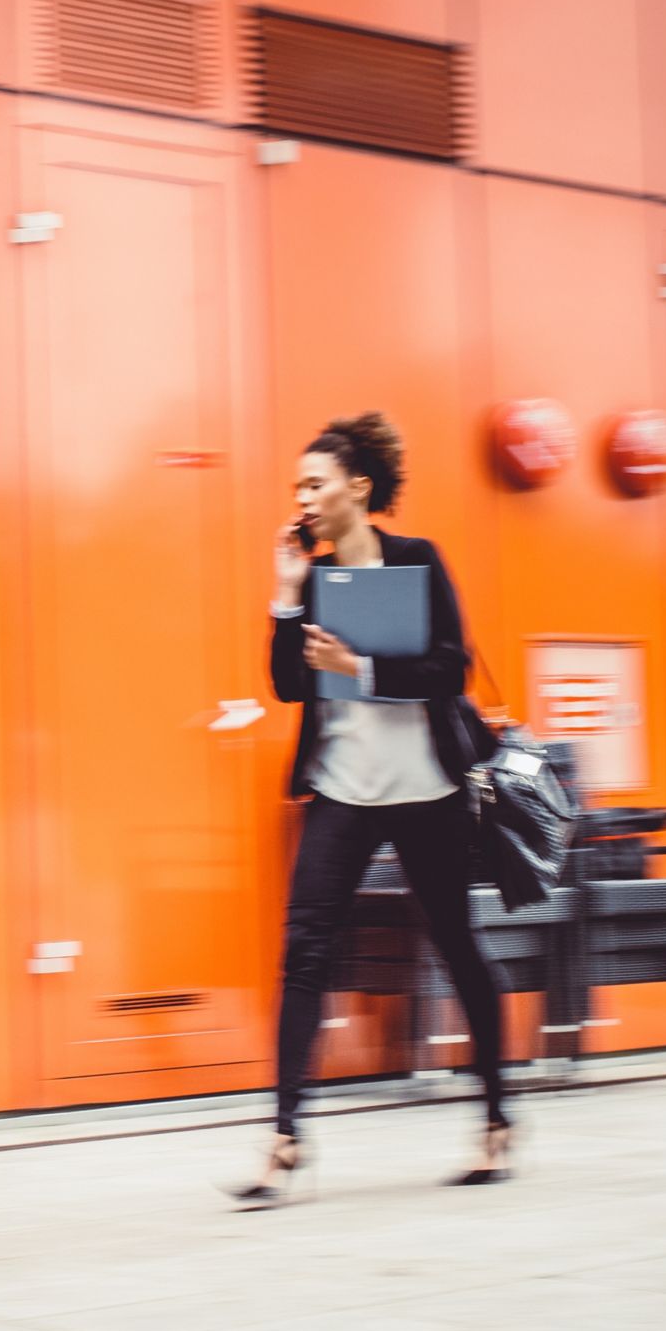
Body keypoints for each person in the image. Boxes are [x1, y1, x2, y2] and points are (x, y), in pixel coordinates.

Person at [233, 412, 511, 1208]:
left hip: (428, 791)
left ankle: (496, 1117)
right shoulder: (315, 578)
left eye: (315, 482)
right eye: (297, 487)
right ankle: (286, 1137)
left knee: (457, 946)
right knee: (305, 950)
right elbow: (289, 686)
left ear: (359, 487)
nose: (303, 497)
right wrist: (286, 596)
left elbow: (449, 668)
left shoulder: (419, 562)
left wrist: (360, 665)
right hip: (344, 790)